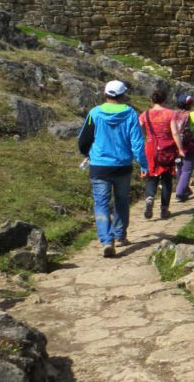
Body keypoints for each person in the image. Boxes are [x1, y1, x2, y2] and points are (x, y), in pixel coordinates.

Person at [77, 80, 147, 258]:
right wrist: (144, 165)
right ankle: (120, 235)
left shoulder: (95, 113)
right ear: (123, 95)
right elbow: (137, 143)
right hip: (122, 166)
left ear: (105, 93)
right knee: (122, 201)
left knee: (101, 203)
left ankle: (107, 240)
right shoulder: (131, 114)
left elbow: (84, 139)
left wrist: (87, 153)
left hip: (100, 166)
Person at [139, 86, 185, 219]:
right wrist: (181, 149)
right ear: (165, 99)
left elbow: (137, 129)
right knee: (166, 178)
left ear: (152, 100)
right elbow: (175, 133)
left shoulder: (145, 114)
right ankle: (164, 209)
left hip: (151, 147)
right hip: (167, 147)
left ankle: (149, 198)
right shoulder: (171, 113)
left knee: (152, 175)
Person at [173, 91, 194, 202]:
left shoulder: (174, 114)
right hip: (190, 146)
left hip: (176, 145)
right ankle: (180, 193)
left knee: (179, 167)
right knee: (187, 170)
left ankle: (184, 188)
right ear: (190, 104)